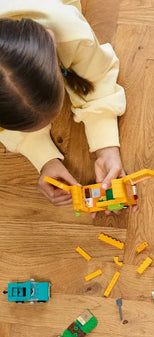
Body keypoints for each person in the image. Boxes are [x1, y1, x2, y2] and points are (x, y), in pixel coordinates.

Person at [0, 0, 129, 212]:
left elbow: (98, 76)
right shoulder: (59, 36)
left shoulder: (71, 32)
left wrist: (106, 146)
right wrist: (44, 158)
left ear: (52, 41)